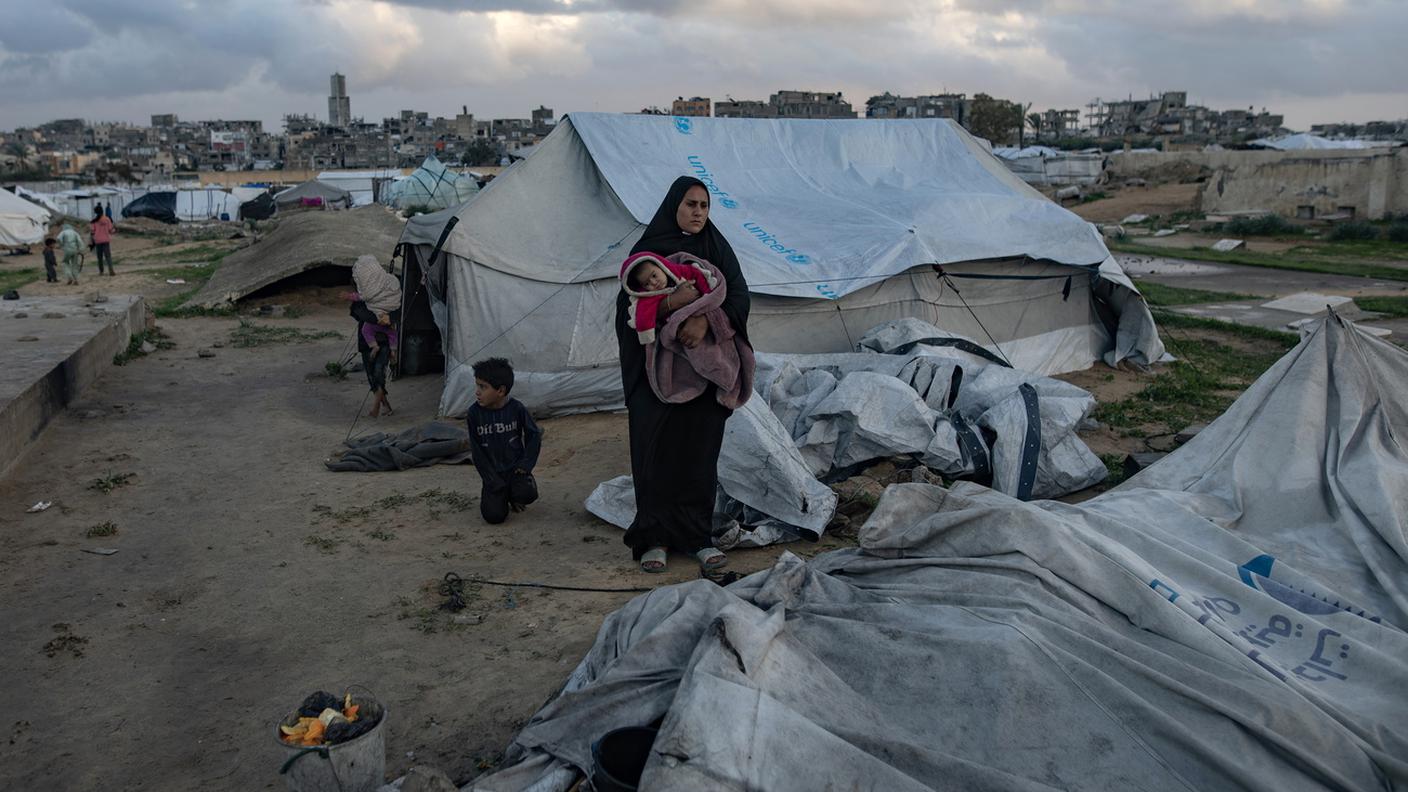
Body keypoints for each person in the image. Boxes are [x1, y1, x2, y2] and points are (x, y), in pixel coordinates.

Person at [615, 176, 750, 573]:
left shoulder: (716, 249)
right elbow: (627, 313)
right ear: (674, 205)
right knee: (655, 453)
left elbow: (739, 295)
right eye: (691, 204)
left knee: (698, 454)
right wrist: (669, 304)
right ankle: (653, 537)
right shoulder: (646, 254)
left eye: (704, 206)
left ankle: (695, 537)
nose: (698, 213)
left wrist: (707, 323)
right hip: (654, 377)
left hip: (704, 375)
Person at [466, 357, 542, 525]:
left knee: (527, 493)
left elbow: (534, 435)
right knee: (493, 517)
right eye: (477, 385)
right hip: (493, 473)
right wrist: (491, 479)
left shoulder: (517, 409)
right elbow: (477, 452)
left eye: (483, 387)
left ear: (500, 391)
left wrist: (525, 466)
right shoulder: (474, 414)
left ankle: (515, 495)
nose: (477, 392)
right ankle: (502, 495)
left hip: (515, 471)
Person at [346, 255, 402, 417]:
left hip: (384, 342)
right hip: (366, 342)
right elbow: (359, 315)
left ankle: (377, 406)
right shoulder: (361, 300)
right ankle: (385, 405)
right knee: (372, 376)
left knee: (378, 372)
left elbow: (395, 315)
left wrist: (386, 319)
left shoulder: (386, 295)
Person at [620, 251, 711, 345]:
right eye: (647, 284)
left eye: (654, 275)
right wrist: (646, 336)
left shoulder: (680, 272)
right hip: (677, 331)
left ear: (661, 266)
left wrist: (707, 294)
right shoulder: (648, 297)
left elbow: (696, 274)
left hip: (700, 316)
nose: (654, 282)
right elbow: (643, 315)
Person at [91, 206, 115, 276]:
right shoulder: (107, 219)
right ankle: (111, 271)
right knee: (108, 256)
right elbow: (111, 230)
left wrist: (92, 240)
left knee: (100, 257)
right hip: (106, 240)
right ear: (102, 211)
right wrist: (115, 230)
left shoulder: (94, 221)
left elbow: (92, 232)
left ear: (95, 212)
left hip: (98, 241)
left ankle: (101, 271)